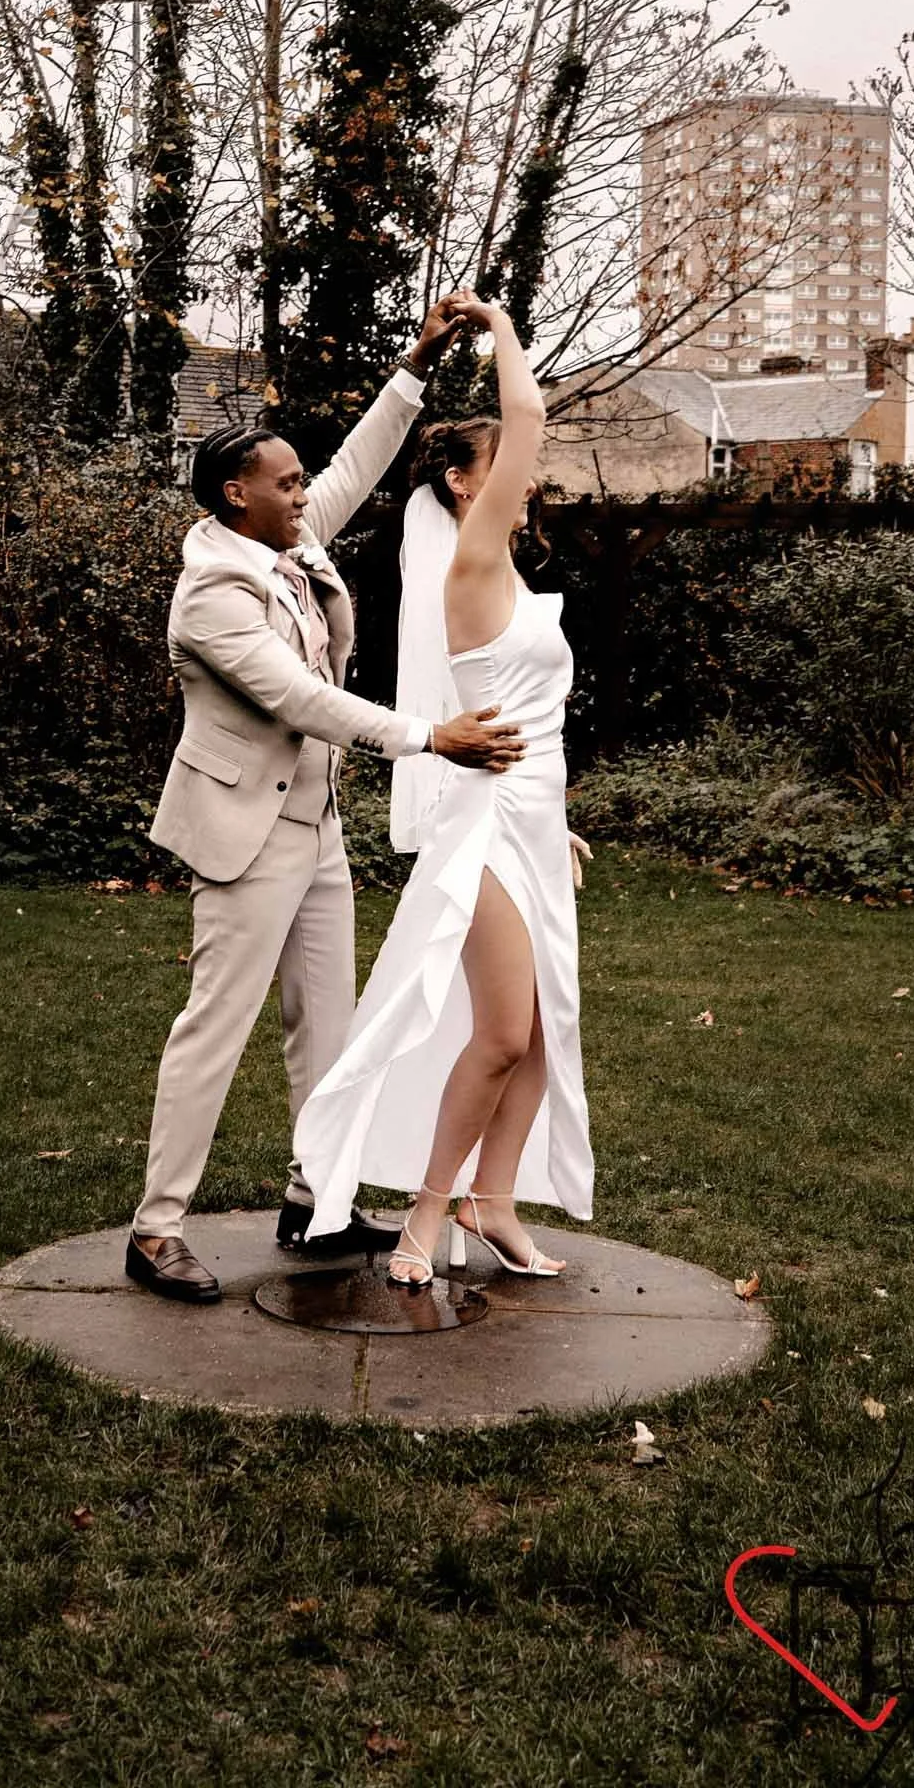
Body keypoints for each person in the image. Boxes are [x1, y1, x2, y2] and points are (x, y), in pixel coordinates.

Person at [126, 296, 528, 1305]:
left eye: (303, 480)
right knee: (213, 1029)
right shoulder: (213, 592)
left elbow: (353, 465)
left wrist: (419, 362)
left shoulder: (286, 545)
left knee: (330, 1029)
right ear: (235, 494)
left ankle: (318, 1203)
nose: (308, 493)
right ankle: (157, 1228)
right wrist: (426, 734)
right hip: (243, 836)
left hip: (312, 830)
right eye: (286, 482)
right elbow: (298, 696)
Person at [293, 290, 594, 1286]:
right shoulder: (470, 560)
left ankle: (494, 1200)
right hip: (487, 825)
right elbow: (533, 418)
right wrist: (500, 325)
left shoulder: (506, 567)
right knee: (502, 1030)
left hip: (536, 815)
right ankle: (427, 1215)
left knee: (545, 1026)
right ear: (464, 485)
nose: (523, 473)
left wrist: (563, 824)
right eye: (500, 464)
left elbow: (532, 718)